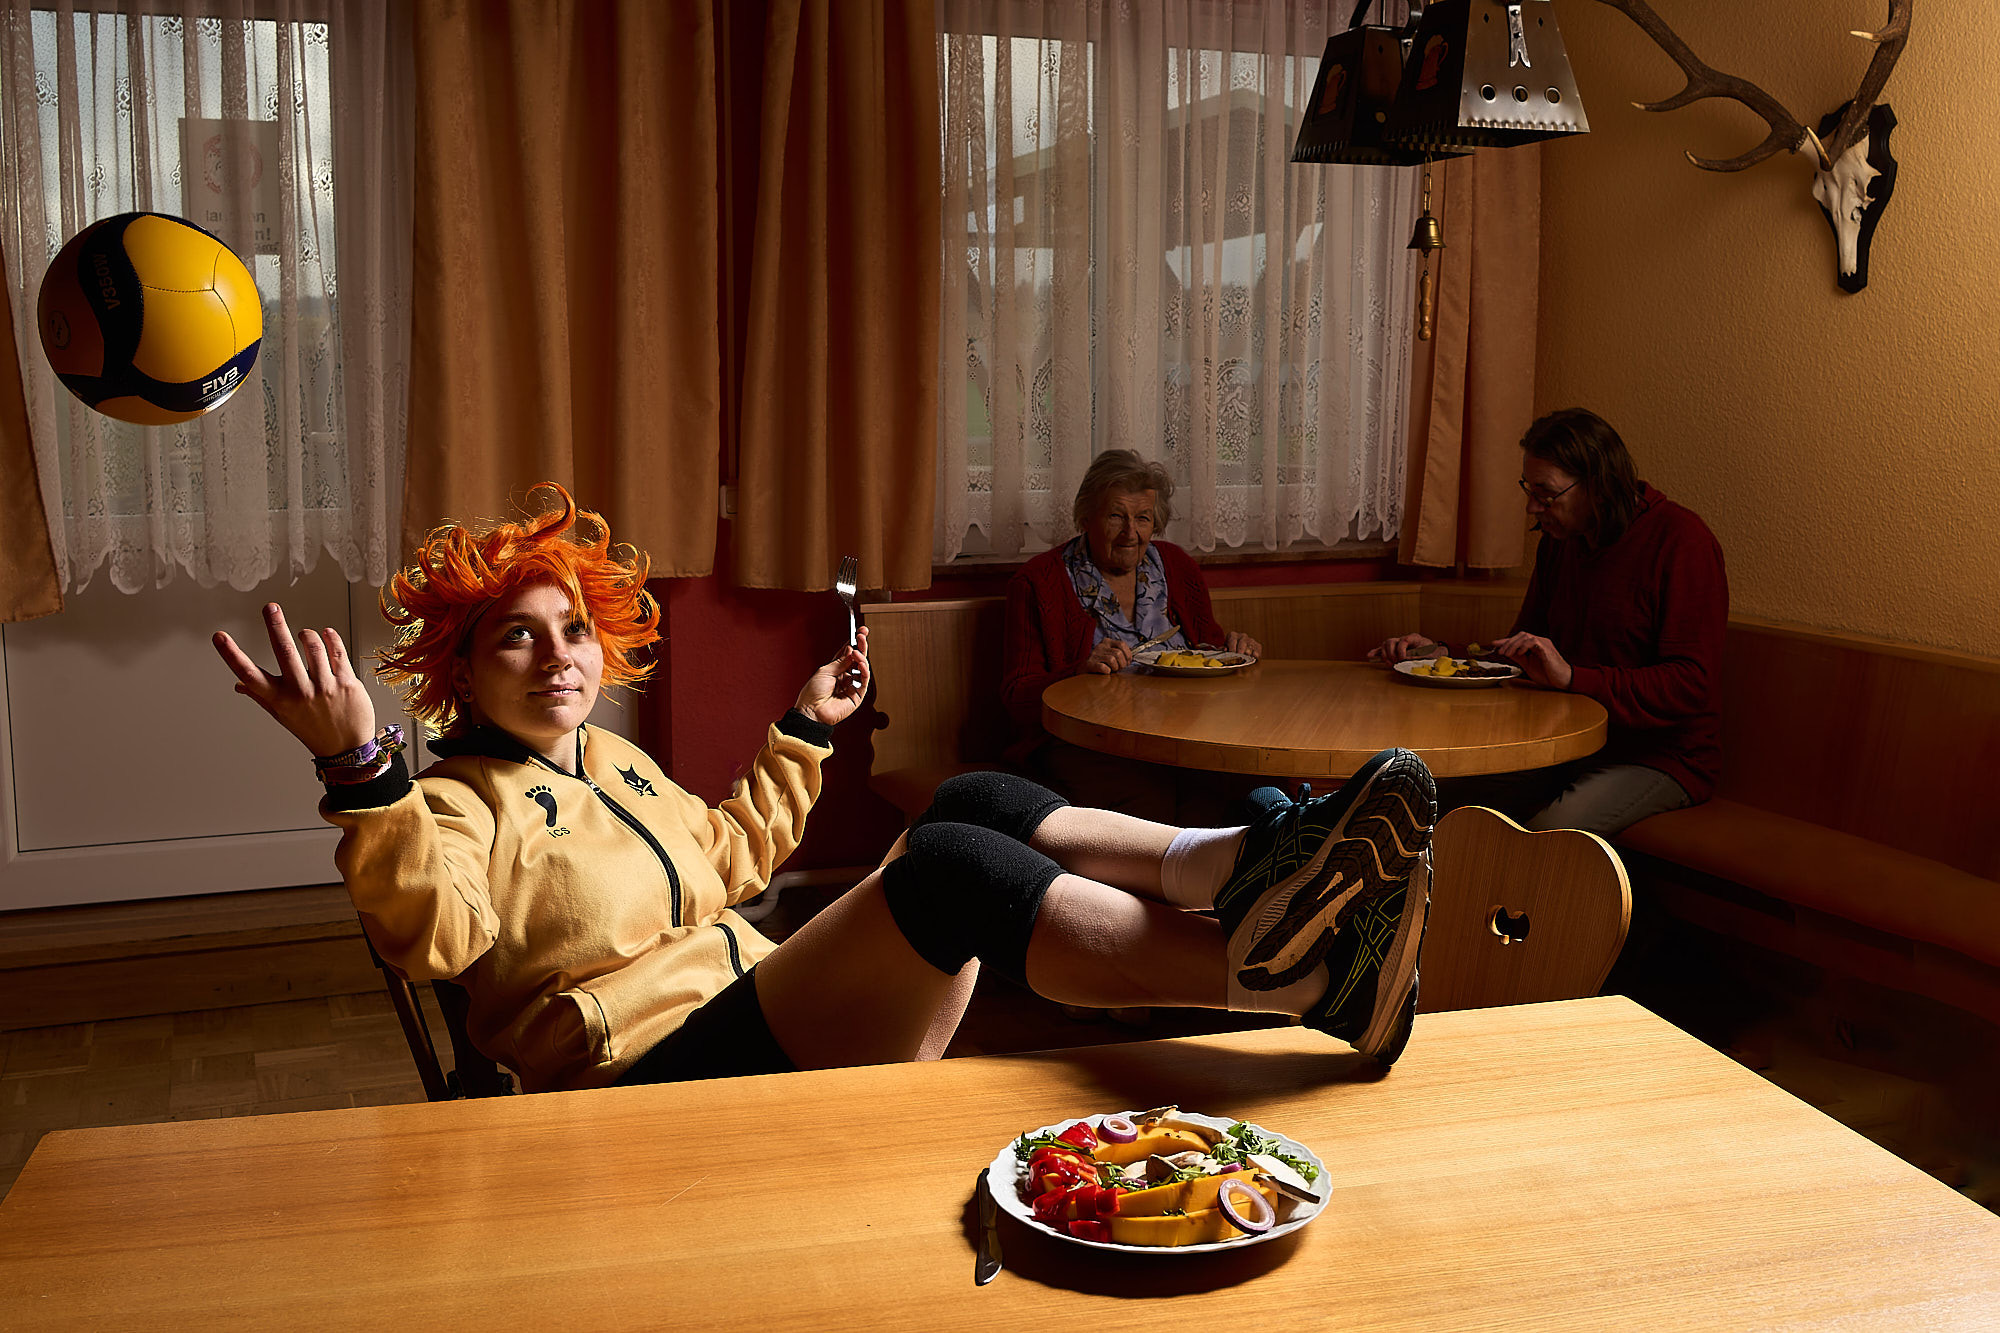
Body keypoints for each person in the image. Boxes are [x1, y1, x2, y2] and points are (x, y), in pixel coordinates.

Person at [214, 484, 1436, 1094]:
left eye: (573, 628)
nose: (558, 657)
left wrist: (803, 726)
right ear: (464, 673)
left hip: (754, 1002)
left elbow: (731, 864)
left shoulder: (615, 762)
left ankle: (1245, 867)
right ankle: (1307, 982)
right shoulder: (449, 806)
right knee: (950, 870)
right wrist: (359, 770)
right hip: (635, 1084)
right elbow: (436, 939)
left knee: (973, 801)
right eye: (515, 638)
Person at [1369, 408, 1727, 837]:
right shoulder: (1561, 542)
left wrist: (1573, 677)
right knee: (1428, 801)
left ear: (1598, 485)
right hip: (1565, 744)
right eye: (1529, 489)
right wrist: (1442, 654)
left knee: (1545, 836)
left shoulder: (1682, 542)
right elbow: (1525, 653)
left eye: (1547, 493)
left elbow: (1689, 684)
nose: (1532, 507)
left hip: (1659, 758)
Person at [1002, 449, 1265, 823]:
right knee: (1149, 804)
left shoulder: (1176, 566)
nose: (1130, 533)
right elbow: (1017, 698)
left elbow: (1208, 649)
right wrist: (1078, 671)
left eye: (1143, 518)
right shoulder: (1038, 582)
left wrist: (1233, 650)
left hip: (1180, 737)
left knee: (1243, 792)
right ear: (1085, 517)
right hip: (1088, 743)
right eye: (1115, 516)